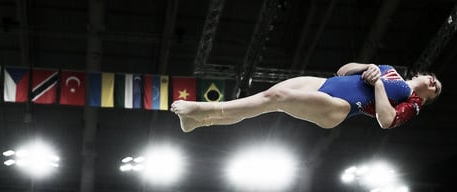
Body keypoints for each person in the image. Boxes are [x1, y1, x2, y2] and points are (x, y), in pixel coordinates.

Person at [170, 63, 442, 132]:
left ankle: (200, 107)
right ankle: (198, 122)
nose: (434, 83)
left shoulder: (414, 103)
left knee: (275, 97)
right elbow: (343, 71)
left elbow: (386, 120)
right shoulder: (391, 69)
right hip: (326, 84)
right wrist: (366, 67)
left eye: (436, 89)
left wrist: (379, 86)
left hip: (339, 107)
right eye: (434, 79)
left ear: (428, 97)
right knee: (266, 99)